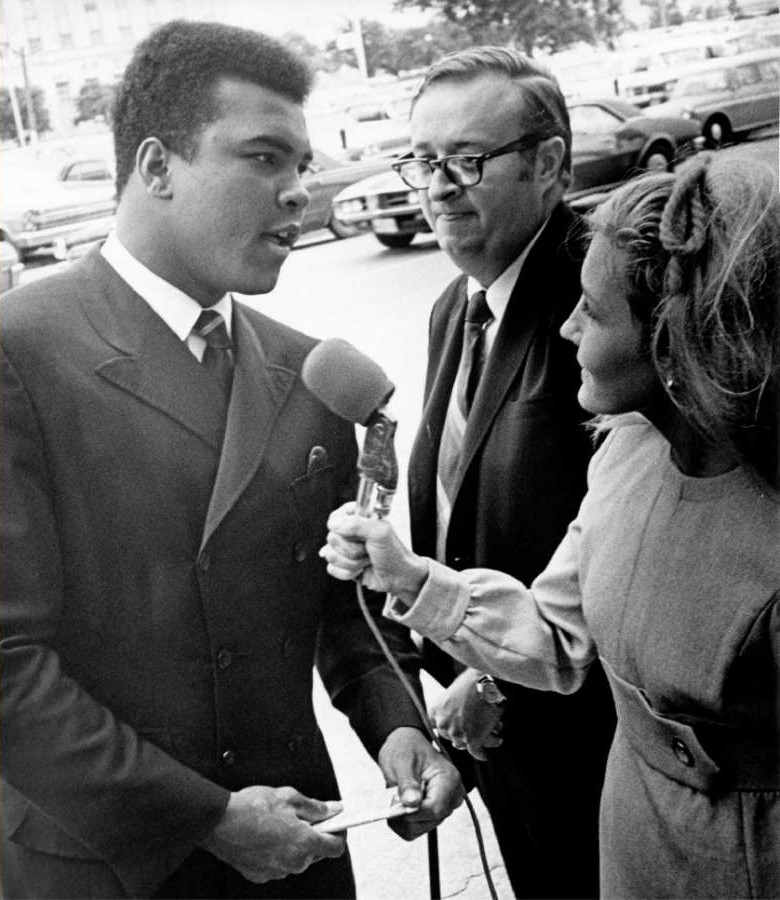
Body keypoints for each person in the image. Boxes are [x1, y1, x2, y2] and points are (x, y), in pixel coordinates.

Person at [0, 20, 463, 900]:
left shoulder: (308, 368)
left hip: (296, 853)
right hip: (104, 863)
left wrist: (398, 724)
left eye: (303, 164)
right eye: (262, 158)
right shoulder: (19, 351)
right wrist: (206, 818)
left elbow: (343, 614)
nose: (300, 190)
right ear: (157, 166)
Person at [322, 153, 780, 898]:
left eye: (592, 312)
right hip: (634, 844)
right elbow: (558, 637)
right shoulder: (625, 455)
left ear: (675, 338)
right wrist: (407, 576)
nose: (565, 327)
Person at [387, 46, 615, 897]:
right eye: (423, 161)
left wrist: (488, 675)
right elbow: (457, 509)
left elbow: (622, 529)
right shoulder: (459, 302)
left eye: (467, 161)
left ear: (549, 163)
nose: (438, 186)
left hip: (596, 740)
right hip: (496, 738)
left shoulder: (602, 294)